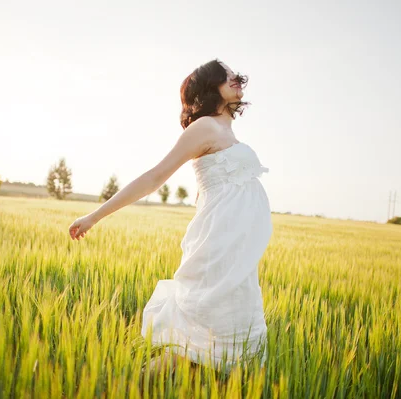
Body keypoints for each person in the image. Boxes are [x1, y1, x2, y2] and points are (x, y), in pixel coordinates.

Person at [68, 58, 272, 375]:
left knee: (223, 341)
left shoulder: (226, 131)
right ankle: (126, 388)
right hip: (218, 247)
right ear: (209, 88)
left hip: (236, 253)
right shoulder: (204, 127)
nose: (234, 78)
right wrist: (95, 216)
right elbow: (154, 177)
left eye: (233, 74)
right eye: (225, 75)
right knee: (202, 343)